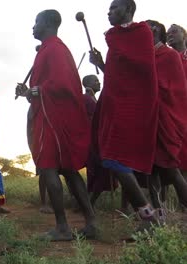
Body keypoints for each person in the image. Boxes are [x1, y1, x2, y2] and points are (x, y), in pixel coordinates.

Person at [16, 10, 96, 241]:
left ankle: (63, 227)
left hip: (53, 119)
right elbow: (45, 87)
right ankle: (91, 222)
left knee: (49, 168)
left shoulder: (55, 49)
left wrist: (34, 90)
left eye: (36, 22)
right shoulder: (48, 50)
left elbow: (62, 84)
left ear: (49, 23)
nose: (33, 27)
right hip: (51, 114)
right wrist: (28, 93)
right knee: (69, 171)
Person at [89, 0, 159, 230]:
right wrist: (100, 62)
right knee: (112, 158)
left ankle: (149, 216)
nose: (109, 12)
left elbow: (143, 69)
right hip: (114, 106)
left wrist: (114, 42)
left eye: (114, 8)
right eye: (108, 8)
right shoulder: (116, 38)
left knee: (116, 160)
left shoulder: (142, 33)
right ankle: (150, 215)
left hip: (134, 107)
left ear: (128, 9)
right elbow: (118, 74)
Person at [145, 20, 187, 221]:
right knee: (151, 169)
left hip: (167, 118)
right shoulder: (147, 56)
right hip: (149, 120)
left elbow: (174, 89)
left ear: (154, 32)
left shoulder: (170, 56)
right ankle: (158, 216)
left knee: (171, 169)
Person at [82, 75, 119, 208]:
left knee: (102, 172)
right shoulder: (85, 98)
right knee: (99, 171)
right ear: (87, 84)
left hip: (100, 139)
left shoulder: (93, 99)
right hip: (93, 141)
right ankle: (87, 204)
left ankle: (87, 203)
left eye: (98, 80)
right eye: (95, 81)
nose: (98, 83)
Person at [167, 24, 187, 183]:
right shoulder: (165, 57)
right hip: (172, 114)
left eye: (174, 32)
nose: (170, 35)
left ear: (184, 35)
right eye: (167, 34)